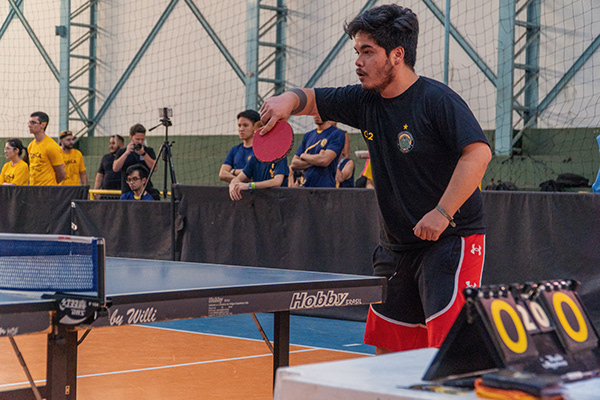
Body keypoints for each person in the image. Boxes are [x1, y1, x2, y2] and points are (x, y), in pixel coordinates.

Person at [259, 4, 491, 353]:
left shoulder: (437, 100)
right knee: (387, 357)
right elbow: (313, 99)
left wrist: (442, 212)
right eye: (357, 52)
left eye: (368, 52)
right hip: (396, 249)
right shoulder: (363, 101)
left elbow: (478, 154)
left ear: (397, 55)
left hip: (450, 241)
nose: (358, 61)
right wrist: (286, 101)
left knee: (448, 354)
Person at [290, 116, 345, 187]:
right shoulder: (308, 135)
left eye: (319, 113)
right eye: (314, 113)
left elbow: (324, 161)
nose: (316, 115)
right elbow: (294, 163)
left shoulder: (337, 133)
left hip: (325, 187)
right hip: (305, 187)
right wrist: (317, 159)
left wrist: (304, 156)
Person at [113, 123, 157, 197]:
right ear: (131, 136)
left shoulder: (148, 151)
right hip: (127, 191)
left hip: (145, 190)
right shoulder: (122, 152)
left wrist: (143, 154)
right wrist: (126, 153)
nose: (140, 142)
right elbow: (115, 168)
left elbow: (155, 168)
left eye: (142, 139)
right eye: (137, 139)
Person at [219, 110, 259, 183]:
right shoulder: (235, 150)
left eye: (245, 125)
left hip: (255, 189)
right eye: (239, 126)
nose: (241, 129)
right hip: (236, 189)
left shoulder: (261, 150)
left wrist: (233, 171)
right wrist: (240, 179)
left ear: (255, 127)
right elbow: (222, 174)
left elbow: (257, 174)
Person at [27, 111, 65, 185]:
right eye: (29, 122)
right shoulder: (31, 145)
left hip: (48, 189)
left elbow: (61, 174)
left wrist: (50, 185)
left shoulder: (51, 146)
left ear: (43, 125)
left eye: (33, 123)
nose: (29, 125)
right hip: (34, 188)